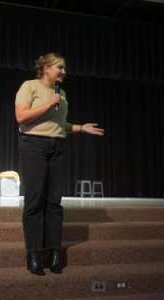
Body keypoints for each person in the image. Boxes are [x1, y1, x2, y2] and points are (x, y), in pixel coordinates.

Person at [15, 52, 104, 276]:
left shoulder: (61, 93)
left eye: (64, 68)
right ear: (46, 67)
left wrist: (80, 127)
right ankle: (34, 254)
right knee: (35, 200)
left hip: (57, 147)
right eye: (60, 67)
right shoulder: (30, 86)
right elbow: (21, 117)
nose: (64, 72)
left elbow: (59, 124)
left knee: (54, 201)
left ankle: (55, 252)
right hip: (33, 144)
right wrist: (49, 104)